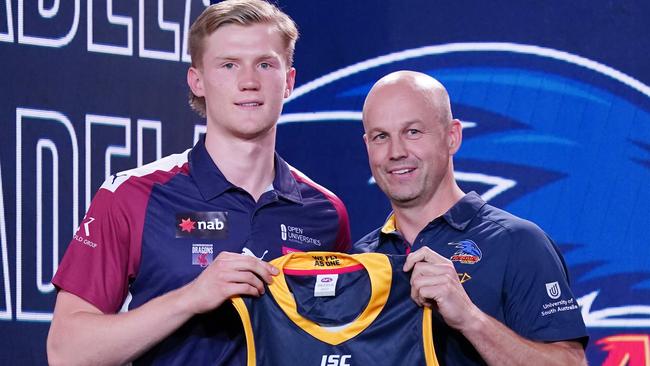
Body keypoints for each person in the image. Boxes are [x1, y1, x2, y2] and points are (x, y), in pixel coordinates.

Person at [47, 1, 350, 365]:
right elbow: (66, 352)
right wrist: (191, 297)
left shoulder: (326, 212)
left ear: (288, 81)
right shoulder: (132, 196)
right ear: (198, 81)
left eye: (265, 64)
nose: (249, 82)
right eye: (229, 65)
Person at [353, 70, 588, 365]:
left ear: (452, 137)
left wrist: (470, 318)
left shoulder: (518, 243)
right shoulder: (360, 259)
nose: (396, 151)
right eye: (381, 136)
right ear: (367, 146)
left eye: (413, 132)